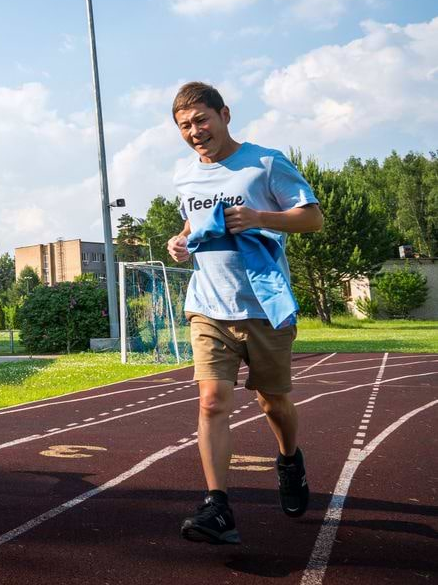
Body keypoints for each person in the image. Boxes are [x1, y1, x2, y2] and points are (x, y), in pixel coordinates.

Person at [167, 82, 322, 545]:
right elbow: (194, 223)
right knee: (212, 400)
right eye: (184, 126)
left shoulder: (265, 162)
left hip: (265, 307)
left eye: (201, 120)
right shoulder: (186, 176)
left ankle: (289, 460)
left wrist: (260, 218)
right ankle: (218, 506)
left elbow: (311, 217)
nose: (195, 132)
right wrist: (179, 241)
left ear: (224, 114)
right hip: (208, 306)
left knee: (272, 402)